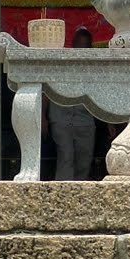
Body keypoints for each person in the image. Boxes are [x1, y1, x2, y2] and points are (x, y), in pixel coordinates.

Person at [50, 28, 101, 181]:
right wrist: (42, 116)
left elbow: (101, 95)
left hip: (84, 120)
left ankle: (79, 194)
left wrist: (108, 119)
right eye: (79, 45)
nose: (82, 49)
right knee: (66, 157)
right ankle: (63, 195)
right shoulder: (62, 64)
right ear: (73, 45)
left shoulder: (96, 68)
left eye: (86, 46)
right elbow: (49, 89)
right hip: (61, 118)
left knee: (84, 160)